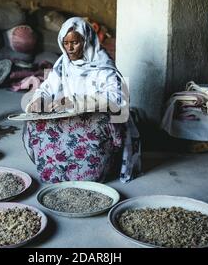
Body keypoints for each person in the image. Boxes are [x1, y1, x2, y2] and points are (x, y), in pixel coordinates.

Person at [22, 17, 141, 183]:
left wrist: (75, 101)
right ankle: (55, 169)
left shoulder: (102, 65)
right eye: (65, 43)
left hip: (96, 117)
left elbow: (118, 98)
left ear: (87, 40)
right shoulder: (62, 64)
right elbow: (47, 88)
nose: (69, 48)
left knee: (94, 126)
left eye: (75, 42)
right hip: (69, 117)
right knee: (35, 122)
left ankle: (89, 172)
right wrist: (40, 99)